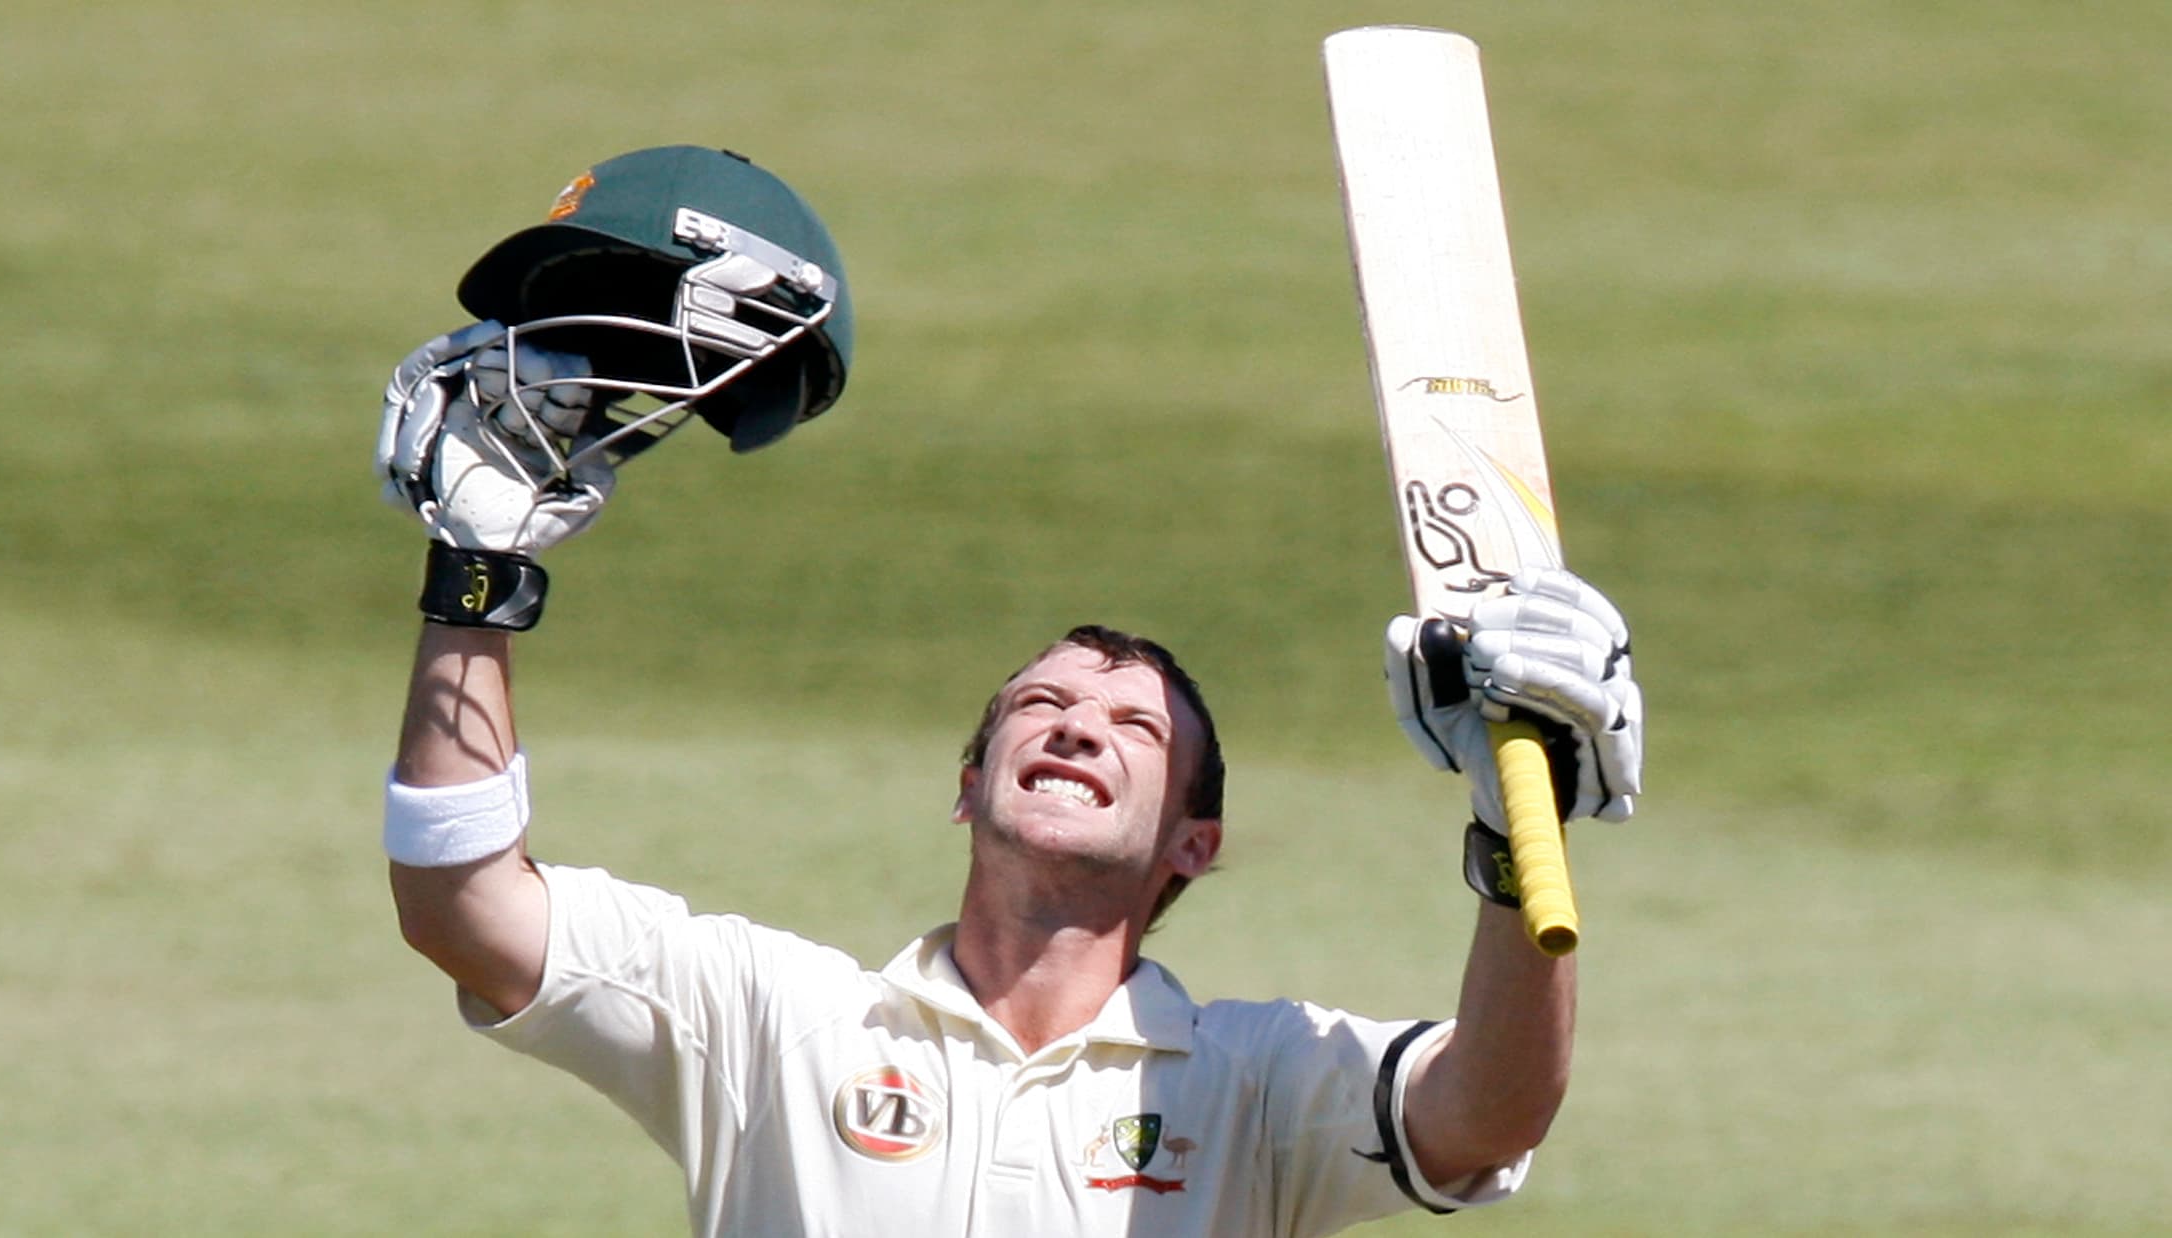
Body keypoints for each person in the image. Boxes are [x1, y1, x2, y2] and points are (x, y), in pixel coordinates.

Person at [374, 145, 1644, 1237]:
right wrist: (477, 585)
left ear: (1194, 841)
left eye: (1134, 726)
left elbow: (1488, 1112)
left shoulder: (1258, 1081)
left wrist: (1514, 846)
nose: (1080, 722)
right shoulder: (771, 1020)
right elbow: (463, 905)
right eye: (1041, 706)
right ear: (968, 784)